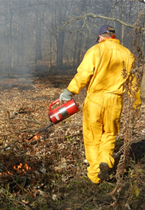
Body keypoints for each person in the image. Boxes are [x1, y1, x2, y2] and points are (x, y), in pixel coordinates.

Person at [59, 25, 141, 184]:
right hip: (115, 101)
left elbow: (83, 74)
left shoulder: (95, 51)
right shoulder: (127, 54)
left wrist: (69, 92)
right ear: (113, 36)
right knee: (110, 134)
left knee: (92, 138)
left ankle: (94, 175)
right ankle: (105, 160)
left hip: (95, 101)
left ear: (101, 37)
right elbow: (134, 83)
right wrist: (136, 104)